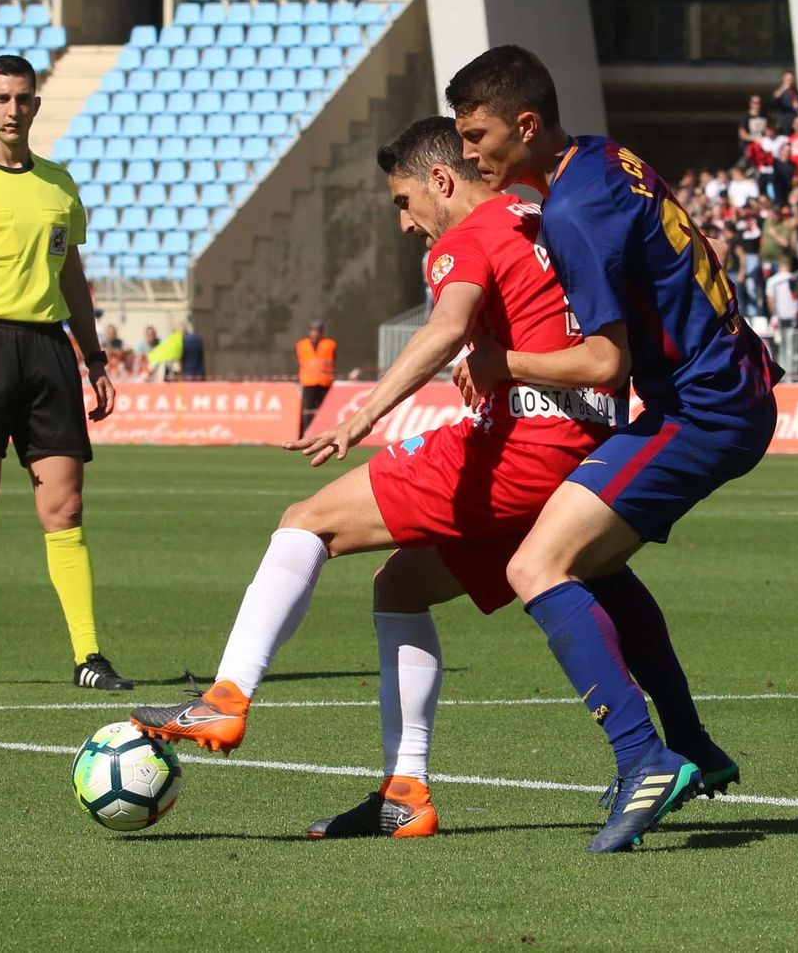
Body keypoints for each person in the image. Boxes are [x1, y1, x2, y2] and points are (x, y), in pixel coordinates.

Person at [129, 117, 634, 838]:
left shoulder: (466, 235)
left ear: (440, 180)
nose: (404, 223)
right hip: (584, 451)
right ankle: (406, 791)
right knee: (400, 586)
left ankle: (227, 695)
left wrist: (360, 415)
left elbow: (445, 326)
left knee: (307, 519)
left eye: (403, 201)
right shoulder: (534, 211)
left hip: (522, 445)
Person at [446, 45, 778, 852]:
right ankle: (689, 743)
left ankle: (645, 760)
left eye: (477, 133)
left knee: (536, 566)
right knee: (591, 561)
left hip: (702, 408)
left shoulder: (574, 209)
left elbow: (604, 362)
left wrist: (501, 364)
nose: (467, 152)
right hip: (725, 386)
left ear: (525, 126)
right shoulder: (602, 157)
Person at [0, 54, 130, 691]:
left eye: (23, 99)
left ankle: (89, 657)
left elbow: (73, 279)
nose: (13, 109)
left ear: (36, 105)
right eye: (1, 99)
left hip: (47, 351)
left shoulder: (60, 185)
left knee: (64, 507)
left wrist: (94, 360)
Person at [295, 319, 336, 436]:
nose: (315, 333)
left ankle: (324, 434)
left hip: (325, 382)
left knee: (324, 410)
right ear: (309, 331)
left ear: (322, 332)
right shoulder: (301, 345)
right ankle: (306, 434)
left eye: (318, 330)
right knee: (307, 410)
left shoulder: (330, 344)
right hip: (308, 381)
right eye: (313, 330)